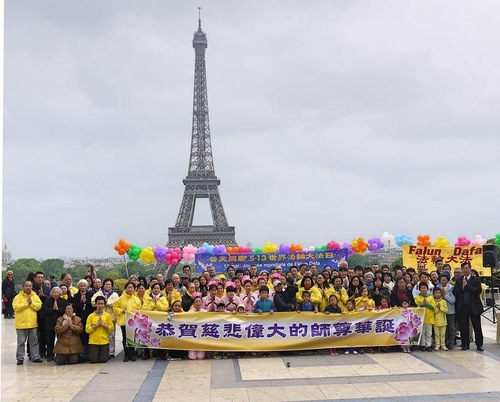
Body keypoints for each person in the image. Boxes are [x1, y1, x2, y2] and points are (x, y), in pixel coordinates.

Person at [452, 262, 484, 351]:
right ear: (462, 270)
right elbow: (455, 292)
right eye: (463, 268)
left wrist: (467, 286)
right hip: (463, 306)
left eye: (467, 268)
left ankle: (479, 344)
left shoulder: (476, 279)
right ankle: (465, 344)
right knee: (463, 326)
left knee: (477, 326)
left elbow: (478, 291)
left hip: (474, 306)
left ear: (470, 269)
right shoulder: (459, 280)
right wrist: (462, 287)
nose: (465, 270)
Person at [13, 280, 43, 364]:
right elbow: (16, 307)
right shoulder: (18, 297)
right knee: (21, 342)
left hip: (32, 323)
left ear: (32, 287)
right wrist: (27, 303)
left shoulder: (35, 296)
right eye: (26, 286)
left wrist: (31, 303)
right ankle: (20, 358)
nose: (28, 287)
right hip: (21, 324)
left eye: (30, 286)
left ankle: (35, 356)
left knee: (34, 341)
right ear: (23, 287)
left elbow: (38, 306)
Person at [91, 278, 119, 359]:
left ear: (111, 286)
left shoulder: (115, 294)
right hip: (99, 318)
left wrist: (107, 302)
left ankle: (111, 351)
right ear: (103, 285)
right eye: (106, 284)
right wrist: (101, 302)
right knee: (101, 335)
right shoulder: (99, 293)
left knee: (111, 335)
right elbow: (93, 302)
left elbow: (116, 304)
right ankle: (102, 352)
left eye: (109, 284)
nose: (108, 286)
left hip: (111, 318)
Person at [114, 282, 142, 362]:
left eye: (131, 288)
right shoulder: (120, 299)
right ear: (125, 288)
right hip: (124, 321)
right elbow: (115, 307)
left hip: (133, 322)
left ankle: (132, 354)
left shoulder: (136, 299)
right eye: (128, 287)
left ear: (134, 289)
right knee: (125, 338)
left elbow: (139, 310)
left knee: (132, 338)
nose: (130, 289)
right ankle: (126, 355)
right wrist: (122, 310)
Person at [142, 283, 169, 360]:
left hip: (160, 321)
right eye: (155, 288)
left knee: (160, 336)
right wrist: (153, 304)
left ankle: (162, 354)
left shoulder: (163, 298)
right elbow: (144, 309)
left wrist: (157, 303)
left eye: (158, 288)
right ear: (152, 289)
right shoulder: (147, 298)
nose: (156, 290)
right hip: (149, 321)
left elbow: (165, 308)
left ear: (160, 290)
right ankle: (147, 354)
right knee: (147, 336)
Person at [41, 287, 67, 362]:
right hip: (49, 324)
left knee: (61, 340)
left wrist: (58, 309)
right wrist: (52, 309)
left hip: (60, 324)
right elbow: (44, 310)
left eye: (57, 292)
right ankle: (50, 355)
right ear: (51, 293)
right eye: (54, 292)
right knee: (49, 341)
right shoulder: (47, 301)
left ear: (60, 293)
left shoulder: (63, 301)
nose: (56, 294)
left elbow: (65, 310)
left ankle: (60, 355)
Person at [86, 296, 114, 363]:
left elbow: (111, 328)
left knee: (104, 360)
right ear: (95, 304)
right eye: (99, 304)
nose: (100, 305)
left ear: (104, 304)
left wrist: (104, 325)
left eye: (102, 304)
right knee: (93, 361)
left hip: (104, 341)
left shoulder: (107, 315)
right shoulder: (91, 316)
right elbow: (87, 330)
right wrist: (96, 326)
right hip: (93, 341)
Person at [73, 279, 95, 361]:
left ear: (87, 286)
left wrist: (86, 301)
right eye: (81, 286)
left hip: (89, 317)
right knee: (81, 336)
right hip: (80, 318)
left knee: (88, 335)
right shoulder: (76, 295)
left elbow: (93, 306)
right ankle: (81, 354)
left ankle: (89, 354)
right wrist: (81, 302)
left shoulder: (91, 294)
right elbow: (75, 307)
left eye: (84, 286)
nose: (82, 287)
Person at [415, 282, 436, 352]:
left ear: (427, 289)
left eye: (425, 288)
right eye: (422, 288)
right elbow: (417, 307)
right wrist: (422, 304)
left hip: (429, 317)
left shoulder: (431, 297)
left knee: (429, 333)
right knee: (422, 332)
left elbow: (433, 307)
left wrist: (427, 304)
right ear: (419, 289)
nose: (423, 289)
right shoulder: (417, 298)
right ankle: (423, 344)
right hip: (420, 318)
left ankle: (428, 345)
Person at [438, 274, 456, 349]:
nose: (443, 281)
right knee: (443, 328)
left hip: (450, 311)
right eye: (442, 280)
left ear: (448, 280)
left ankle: (451, 342)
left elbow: (453, 300)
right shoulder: (438, 288)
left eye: (445, 280)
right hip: (440, 312)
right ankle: (443, 343)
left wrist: (445, 295)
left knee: (451, 327)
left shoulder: (452, 288)